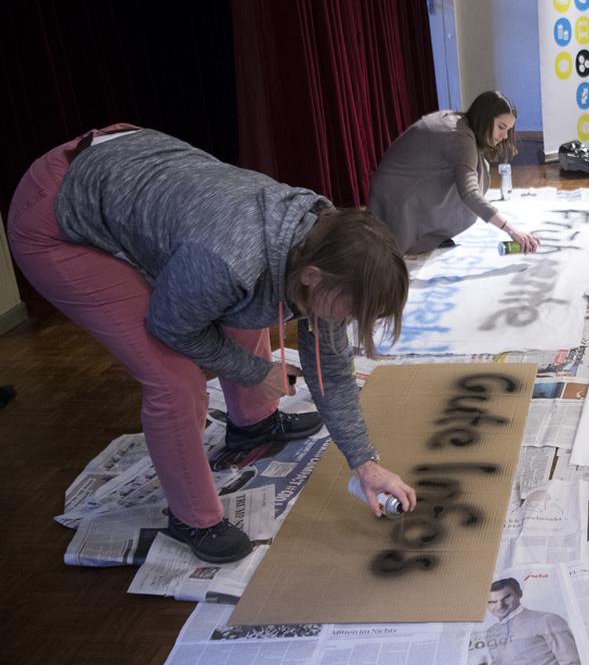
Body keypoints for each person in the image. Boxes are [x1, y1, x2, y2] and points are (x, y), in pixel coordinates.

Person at [7, 126, 418, 563]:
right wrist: (257, 372)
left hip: (134, 168)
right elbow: (171, 327)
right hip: (55, 209)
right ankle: (191, 517)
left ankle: (253, 423)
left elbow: (331, 372)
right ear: (313, 277)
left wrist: (366, 464)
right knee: (173, 377)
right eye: (352, 309)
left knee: (252, 304)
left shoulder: (327, 249)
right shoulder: (230, 259)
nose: (350, 320)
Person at [369, 90, 542, 255]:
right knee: (476, 179)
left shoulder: (461, 124)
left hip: (396, 186)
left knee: (481, 168)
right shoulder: (461, 139)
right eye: (501, 127)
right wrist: (511, 231)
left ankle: (432, 234)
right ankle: (423, 235)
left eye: (508, 130)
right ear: (485, 118)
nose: (504, 136)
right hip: (393, 197)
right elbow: (469, 193)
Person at [483, 578, 581, 665]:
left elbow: (572, 661)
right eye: (492, 602)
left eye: (507, 598)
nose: (500, 606)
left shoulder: (547, 620)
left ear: (519, 593)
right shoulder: (491, 632)